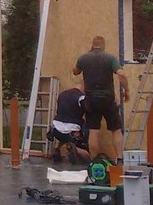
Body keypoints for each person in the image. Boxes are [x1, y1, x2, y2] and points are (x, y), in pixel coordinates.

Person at [73, 35, 128, 164]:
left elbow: (75, 71)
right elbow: (122, 74)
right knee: (116, 129)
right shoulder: (110, 58)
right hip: (108, 98)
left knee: (93, 131)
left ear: (92, 45)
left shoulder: (84, 58)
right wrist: (127, 90)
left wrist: (81, 66)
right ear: (103, 45)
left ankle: (95, 162)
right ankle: (120, 159)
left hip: (91, 99)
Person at [45, 77, 89, 166]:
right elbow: (88, 110)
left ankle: (57, 148)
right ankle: (77, 150)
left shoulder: (62, 94)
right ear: (84, 87)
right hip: (72, 131)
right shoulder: (81, 97)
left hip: (56, 129)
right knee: (87, 127)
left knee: (64, 136)